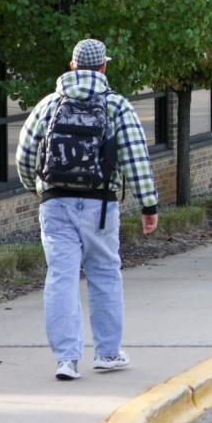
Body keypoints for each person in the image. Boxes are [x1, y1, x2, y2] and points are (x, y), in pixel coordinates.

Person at [16, 39, 159, 381]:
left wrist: (37, 188)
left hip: (55, 203)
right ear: (103, 68)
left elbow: (25, 154)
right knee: (104, 274)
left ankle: (66, 359)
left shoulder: (50, 104)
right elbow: (135, 158)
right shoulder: (117, 106)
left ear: (72, 66)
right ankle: (108, 354)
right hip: (100, 206)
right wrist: (148, 204)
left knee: (61, 277)